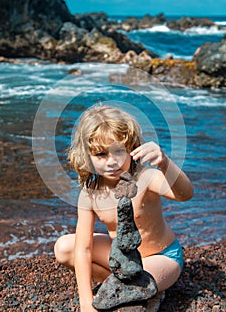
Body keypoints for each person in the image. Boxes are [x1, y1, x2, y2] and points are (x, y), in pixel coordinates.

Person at [54, 104, 193, 312]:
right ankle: (131, 290)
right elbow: (84, 248)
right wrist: (85, 301)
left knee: (132, 288)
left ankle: (144, 291)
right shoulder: (90, 194)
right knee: (64, 247)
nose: (112, 162)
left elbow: (185, 194)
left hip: (162, 257)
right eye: (101, 154)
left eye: (119, 151)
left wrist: (164, 162)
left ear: (131, 147)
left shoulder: (146, 178)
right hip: (123, 261)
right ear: (87, 157)